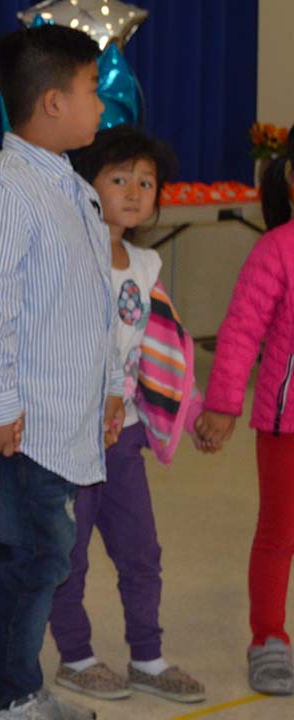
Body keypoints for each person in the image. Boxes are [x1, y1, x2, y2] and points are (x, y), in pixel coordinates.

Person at [0, 24, 119, 720]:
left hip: (62, 416)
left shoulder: (71, 187)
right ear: (52, 102)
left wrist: (111, 385)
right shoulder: (2, 191)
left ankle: (18, 685)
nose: (102, 107)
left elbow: (94, 302)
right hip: (22, 426)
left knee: (44, 555)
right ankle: (5, 697)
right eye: (91, 92)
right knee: (32, 559)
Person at [47, 126, 206, 705]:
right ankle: (77, 655)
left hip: (125, 439)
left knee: (141, 551)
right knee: (68, 552)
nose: (135, 192)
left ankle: (148, 655)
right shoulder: (66, 256)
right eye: (119, 179)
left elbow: (163, 351)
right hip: (70, 439)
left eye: (146, 182)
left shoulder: (145, 264)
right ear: (86, 187)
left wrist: (194, 412)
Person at [196, 121, 294, 697]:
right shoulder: (276, 249)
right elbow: (239, 333)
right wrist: (224, 404)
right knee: (279, 533)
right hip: (285, 424)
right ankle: (269, 638)